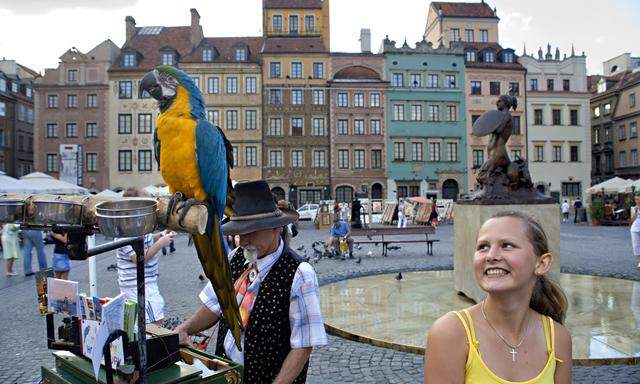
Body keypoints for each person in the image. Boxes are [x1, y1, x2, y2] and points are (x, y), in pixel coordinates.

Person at [175, 180, 327, 384]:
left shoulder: (299, 274)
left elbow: (304, 345)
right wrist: (185, 328)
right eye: (239, 232)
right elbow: (215, 305)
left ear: (275, 228)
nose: (243, 240)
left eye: (251, 232)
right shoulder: (236, 257)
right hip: (229, 374)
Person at [425, 211, 572, 384]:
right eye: (483, 247)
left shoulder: (557, 338)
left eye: (507, 245)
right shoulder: (451, 333)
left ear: (541, 263)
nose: (491, 256)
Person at [116, 187, 175, 324]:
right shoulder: (123, 233)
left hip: (146, 283)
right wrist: (160, 243)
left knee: (152, 319)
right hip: (136, 286)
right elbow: (139, 258)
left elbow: (146, 240)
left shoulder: (139, 227)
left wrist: (160, 235)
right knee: (154, 322)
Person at [629, 195, 640, 269]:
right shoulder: (633, 208)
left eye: (639, 199)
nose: (638, 201)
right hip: (635, 229)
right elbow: (632, 220)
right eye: (636, 199)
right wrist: (635, 211)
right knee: (636, 246)